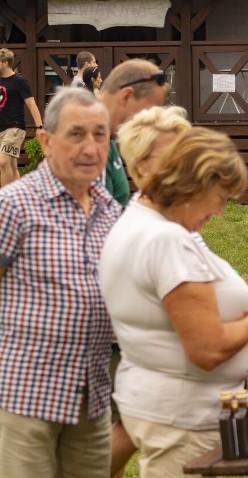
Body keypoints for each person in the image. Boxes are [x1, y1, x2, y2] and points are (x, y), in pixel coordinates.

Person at [99, 127, 248, 478]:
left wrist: (237, 303)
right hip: (183, 419)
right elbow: (207, 350)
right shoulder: (167, 239)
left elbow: (167, 307)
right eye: (221, 197)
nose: (221, 212)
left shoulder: (139, 218)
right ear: (195, 183)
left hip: (164, 407)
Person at [0, 87, 121, 477]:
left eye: (100, 135)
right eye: (76, 134)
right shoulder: (15, 204)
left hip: (92, 397)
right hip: (26, 396)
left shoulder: (110, 209)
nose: (90, 147)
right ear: (47, 141)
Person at [110, 105, 192, 478]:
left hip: (175, 394)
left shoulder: (169, 221)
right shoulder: (152, 230)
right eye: (172, 156)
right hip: (167, 394)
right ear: (140, 165)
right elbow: (204, 340)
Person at [98, 58, 170, 207]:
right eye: (149, 110)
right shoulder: (88, 143)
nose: (151, 121)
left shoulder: (107, 137)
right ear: (126, 96)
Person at [0, 48, 43, 187]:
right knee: (11, 165)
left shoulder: (19, 80)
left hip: (15, 126)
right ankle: (20, 197)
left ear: (5, 63)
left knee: (3, 162)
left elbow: (31, 104)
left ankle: (4, 200)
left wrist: (39, 126)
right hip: (1, 127)